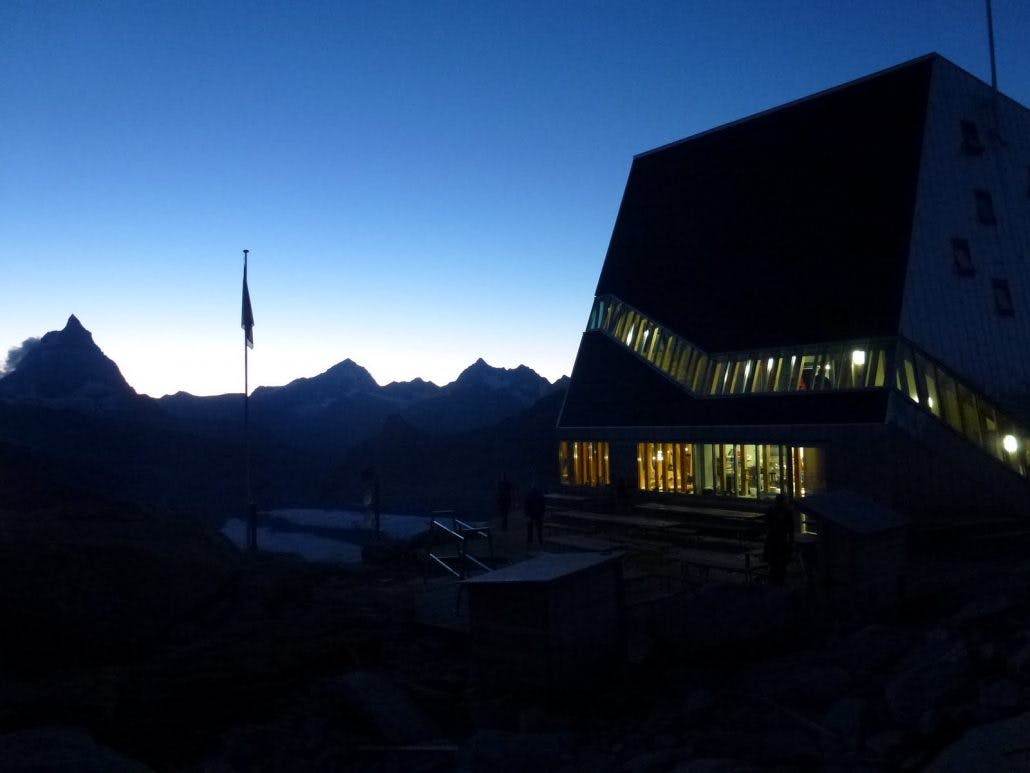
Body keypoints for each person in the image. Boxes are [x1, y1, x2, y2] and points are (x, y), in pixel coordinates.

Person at [763, 493, 795, 586]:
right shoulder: (787, 512)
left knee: (774, 562)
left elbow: (767, 524)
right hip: (781, 540)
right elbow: (791, 528)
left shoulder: (771, 510)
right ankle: (779, 581)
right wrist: (791, 541)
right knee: (781, 562)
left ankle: (774, 580)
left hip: (772, 539)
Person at [524, 482, 546, 549]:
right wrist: (542, 513)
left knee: (531, 529)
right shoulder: (539, 494)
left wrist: (527, 514)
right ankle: (539, 541)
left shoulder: (529, 494)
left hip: (532, 513)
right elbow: (543, 505)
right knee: (538, 529)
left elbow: (526, 505)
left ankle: (530, 541)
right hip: (537, 513)